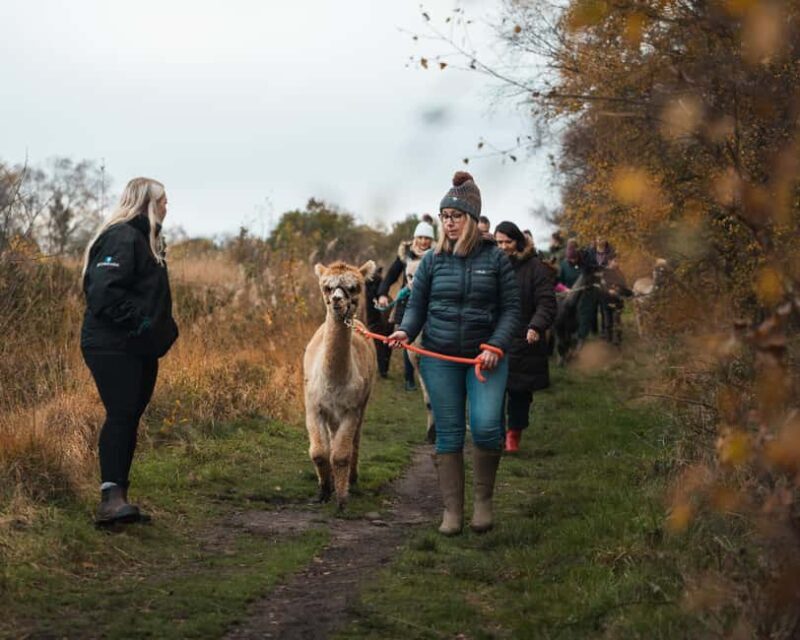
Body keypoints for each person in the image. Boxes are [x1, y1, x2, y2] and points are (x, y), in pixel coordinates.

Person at [388, 172, 521, 535]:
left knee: (486, 427)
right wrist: (405, 330)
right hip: (439, 358)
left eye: (456, 216)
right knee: (448, 434)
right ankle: (452, 512)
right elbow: (417, 305)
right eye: (444, 216)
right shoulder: (432, 261)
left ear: (472, 219)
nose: (448, 222)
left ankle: (483, 503)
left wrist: (496, 345)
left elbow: (512, 309)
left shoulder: (496, 260)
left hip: (485, 359)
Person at [80, 177, 179, 526]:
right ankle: (111, 502)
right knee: (121, 414)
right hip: (111, 345)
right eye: (163, 200)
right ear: (146, 203)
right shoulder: (122, 236)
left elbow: (148, 298)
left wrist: (162, 330)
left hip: (137, 346)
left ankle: (119, 499)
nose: (167, 206)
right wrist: (142, 324)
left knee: (129, 417)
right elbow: (104, 293)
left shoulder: (147, 240)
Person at [494, 222, 557, 453]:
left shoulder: (535, 268)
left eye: (508, 242)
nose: (503, 247)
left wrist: (536, 326)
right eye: (499, 242)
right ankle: (496, 434)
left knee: (519, 392)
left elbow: (546, 302)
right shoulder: (491, 265)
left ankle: (514, 434)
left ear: (518, 242)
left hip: (523, 338)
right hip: (494, 337)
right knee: (493, 390)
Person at [377, 219, 434, 390]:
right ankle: (409, 379)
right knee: (407, 338)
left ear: (432, 240)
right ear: (415, 238)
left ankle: (429, 376)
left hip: (430, 302)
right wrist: (382, 294)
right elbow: (391, 276)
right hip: (407, 302)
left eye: (427, 238)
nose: (423, 241)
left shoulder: (437, 255)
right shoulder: (405, 255)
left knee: (427, 339)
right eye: (420, 237)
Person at [365, 265, 392, 377]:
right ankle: (383, 368)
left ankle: (382, 369)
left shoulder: (369, 284)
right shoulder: (379, 284)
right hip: (381, 315)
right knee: (385, 341)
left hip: (375, 316)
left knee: (379, 342)